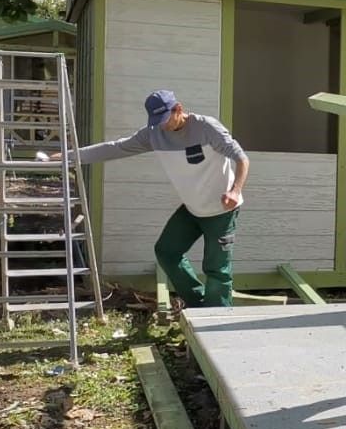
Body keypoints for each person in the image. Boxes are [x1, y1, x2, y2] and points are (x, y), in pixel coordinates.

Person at [59, 90, 249, 308]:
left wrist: (235, 191)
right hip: (192, 208)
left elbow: (242, 158)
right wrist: (71, 156)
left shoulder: (207, 127)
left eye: (165, 118)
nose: (162, 126)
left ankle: (216, 322)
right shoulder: (154, 133)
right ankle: (198, 305)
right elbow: (116, 148)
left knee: (216, 269)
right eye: (157, 121)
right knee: (167, 251)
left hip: (221, 210)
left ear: (178, 109)